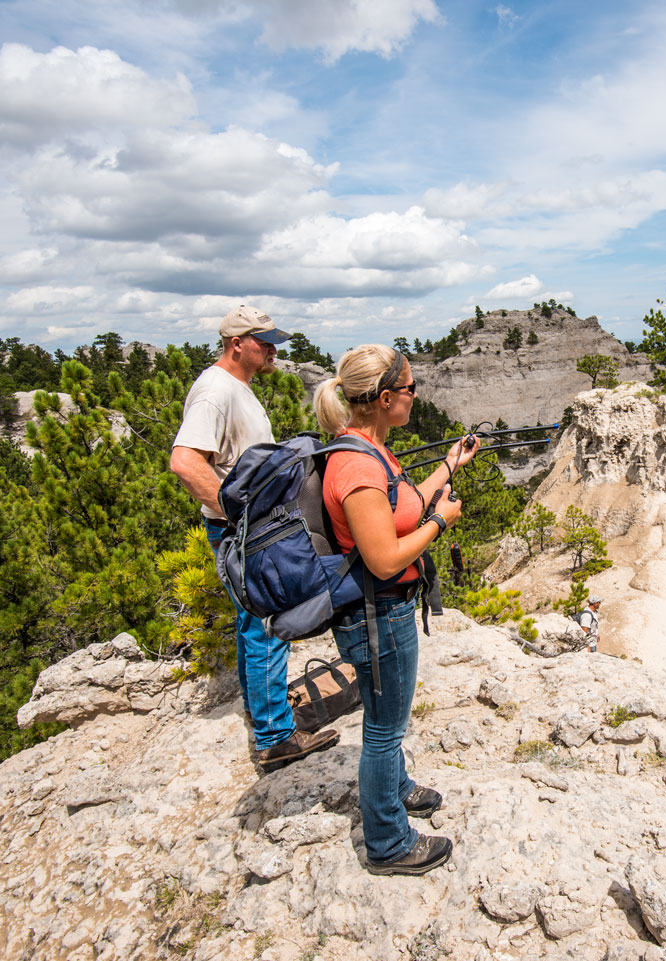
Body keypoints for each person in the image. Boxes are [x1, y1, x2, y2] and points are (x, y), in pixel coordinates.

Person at [313, 345, 479, 877]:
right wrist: (441, 524)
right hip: (376, 613)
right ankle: (387, 842)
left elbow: (400, 507)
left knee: (392, 723)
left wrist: (449, 467)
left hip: (386, 611)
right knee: (384, 729)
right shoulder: (356, 467)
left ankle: (397, 787)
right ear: (385, 399)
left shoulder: (372, 450)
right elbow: (384, 559)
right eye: (410, 389)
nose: (415, 396)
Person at [170, 305, 339, 771]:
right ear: (235, 343)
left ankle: (261, 710)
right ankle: (276, 738)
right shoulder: (214, 391)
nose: (272, 349)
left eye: (273, 341)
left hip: (247, 526)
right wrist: (237, 514)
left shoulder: (234, 388)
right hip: (242, 528)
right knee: (269, 615)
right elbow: (185, 462)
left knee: (252, 618)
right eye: (263, 341)